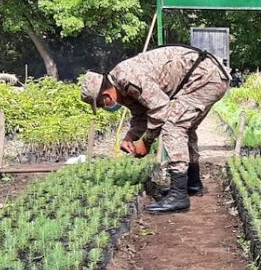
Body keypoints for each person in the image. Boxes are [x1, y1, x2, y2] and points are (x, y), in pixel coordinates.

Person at [81, 45, 230, 215]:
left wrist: (146, 142)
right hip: (206, 77)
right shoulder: (121, 88)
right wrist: (130, 137)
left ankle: (179, 195)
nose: (103, 107)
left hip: (206, 78)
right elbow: (141, 115)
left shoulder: (128, 78)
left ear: (106, 96)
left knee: (173, 125)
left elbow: (160, 110)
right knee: (184, 127)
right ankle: (192, 183)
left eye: (101, 104)